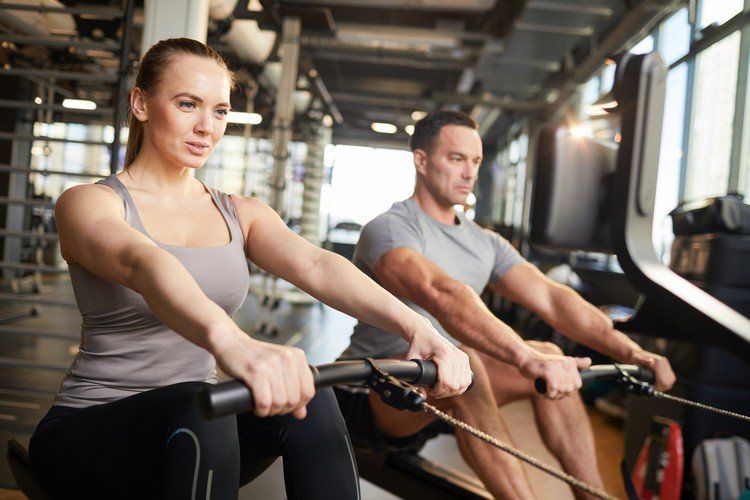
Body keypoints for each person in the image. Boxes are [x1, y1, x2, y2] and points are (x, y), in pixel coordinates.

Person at [27, 38, 472, 500]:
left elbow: (317, 264)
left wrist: (421, 330)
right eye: (187, 104)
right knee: (201, 407)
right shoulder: (89, 203)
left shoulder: (239, 212)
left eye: (219, 111)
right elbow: (146, 264)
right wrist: (235, 345)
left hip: (199, 429)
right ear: (141, 103)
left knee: (311, 395)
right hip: (90, 433)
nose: (206, 127)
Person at [338, 110, 676, 499]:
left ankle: (594, 497)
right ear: (421, 160)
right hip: (371, 392)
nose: (469, 172)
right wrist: (520, 356)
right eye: (456, 159)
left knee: (548, 354)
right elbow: (442, 294)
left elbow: (552, 297)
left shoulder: (485, 242)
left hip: (449, 387)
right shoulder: (391, 227)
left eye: (476, 161)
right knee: (468, 361)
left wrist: (634, 353)